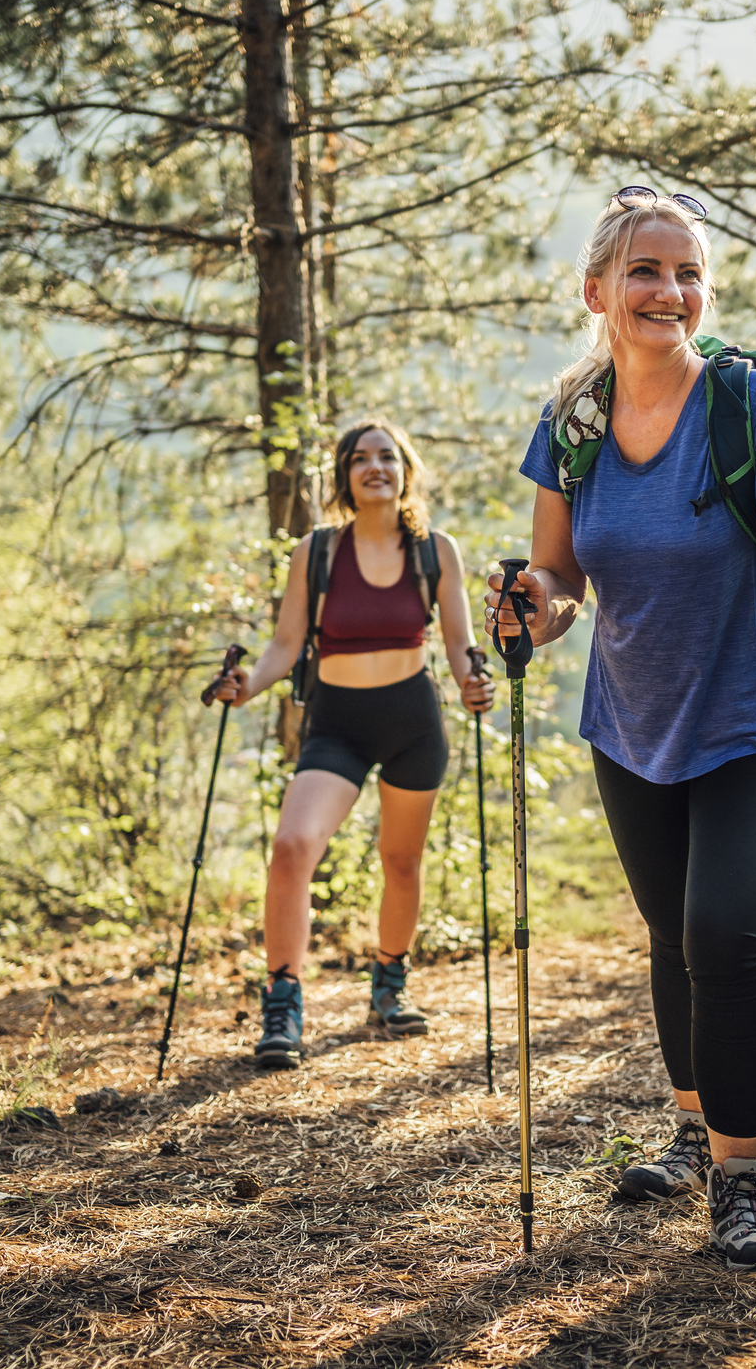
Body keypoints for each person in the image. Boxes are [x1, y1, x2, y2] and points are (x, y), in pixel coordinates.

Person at [487, 188, 756, 1273]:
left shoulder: (748, 403)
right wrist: (535, 603)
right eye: (644, 271)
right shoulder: (572, 421)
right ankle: (692, 1125)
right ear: (597, 291)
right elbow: (563, 571)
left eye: (686, 273)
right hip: (631, 722)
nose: (669, 291)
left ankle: (744, 1179)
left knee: (722, 928)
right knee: (673, 935)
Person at [208, 419, 495, 1069]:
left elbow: (456, 644)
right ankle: (282, 1003)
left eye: (386, 457)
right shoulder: (315, 551)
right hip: (336, 721)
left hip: (411, 721)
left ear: (404, 470)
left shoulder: (433, 551)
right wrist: (245, 686)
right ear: (344, 477)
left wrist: (473, 685)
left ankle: (389, 987)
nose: (375, 467)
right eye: (360, 459)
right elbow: (285, 644)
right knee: (291, 847)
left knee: (400, 861)